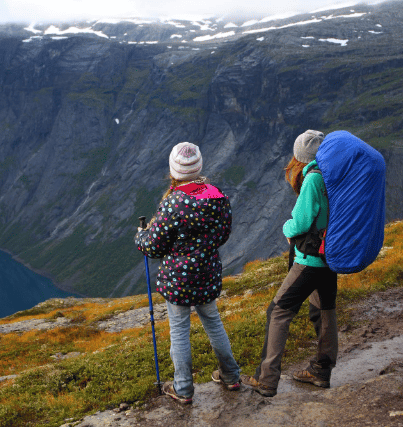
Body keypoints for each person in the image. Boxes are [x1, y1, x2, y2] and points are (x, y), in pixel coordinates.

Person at [134, 142, 240, 404]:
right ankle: (231, 376)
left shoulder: (173, 203)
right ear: (199, 166)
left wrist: (140, 236)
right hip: (207, 272)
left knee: (180, 330)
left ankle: (182, 389)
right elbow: (223, 234)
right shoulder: (217, 196)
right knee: (213, 322)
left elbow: (153, 246)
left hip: (178, 279)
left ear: (173, 170)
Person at [241, 130, 338, 397]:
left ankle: (267, 379)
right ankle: (321, 371)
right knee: (324, 311)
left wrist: (286, 226)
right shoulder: (333, 174)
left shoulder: (312, 179)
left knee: (278, 311)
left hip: (309, 260)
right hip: (330, 256)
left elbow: (301, 222)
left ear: (300, 157)